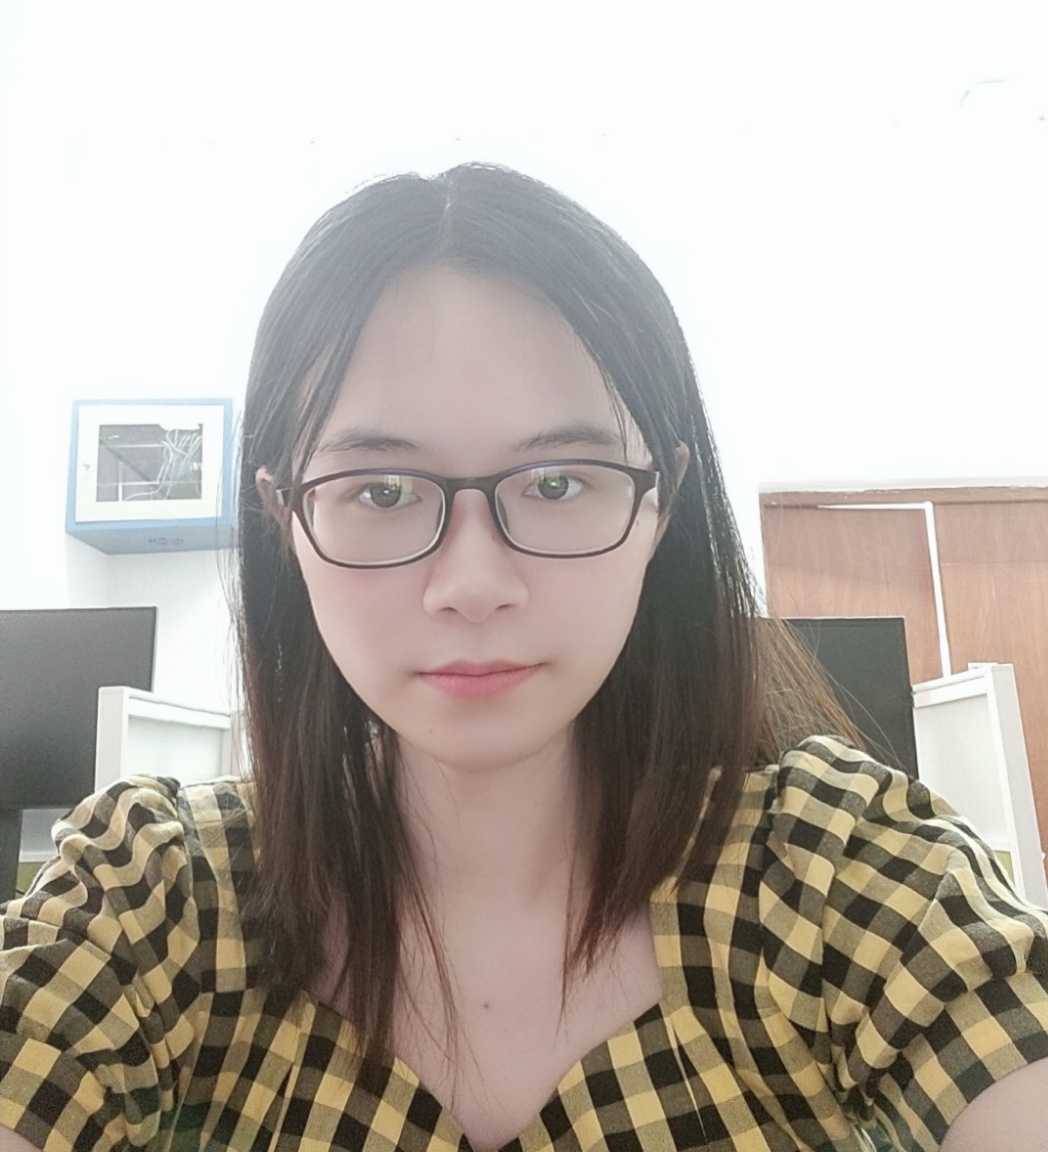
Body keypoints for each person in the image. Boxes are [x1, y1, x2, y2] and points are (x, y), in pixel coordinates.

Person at [2, 165, 1046, 1152]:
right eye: (381, 491)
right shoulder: (160, 900)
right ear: (284, 518)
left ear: (661, 505)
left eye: (555, 483)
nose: (472, 583)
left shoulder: (825, 874)